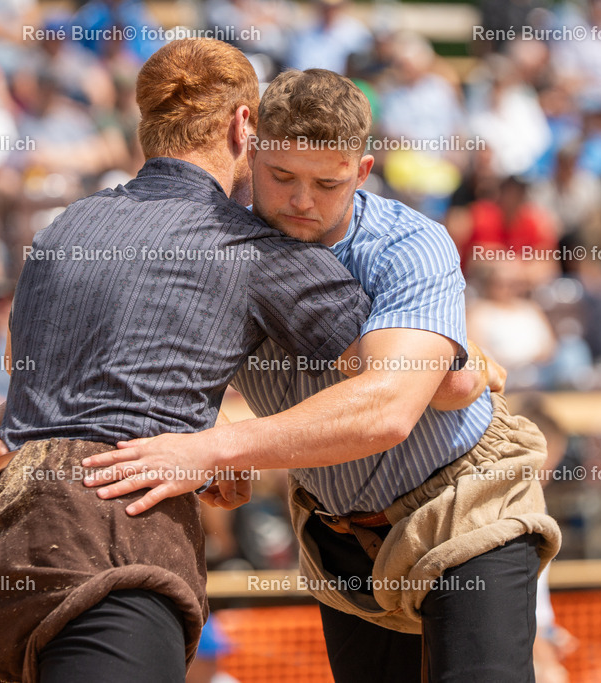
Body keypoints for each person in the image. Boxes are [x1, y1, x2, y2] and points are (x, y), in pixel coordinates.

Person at [0, 41, 499, 683]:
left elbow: (58, 383)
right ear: (243, 128)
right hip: (113, 543)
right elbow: (433, 389)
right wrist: (460, 350)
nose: (296, 197)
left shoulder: (64, 229)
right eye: (281, 174)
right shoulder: (250, 245)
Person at [80, 69, 562, 682]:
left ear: (361, 173)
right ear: (251, 151)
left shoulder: (408, 244)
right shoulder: (215, 240)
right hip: (340, 526)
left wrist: (214, 445)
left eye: (326, 184)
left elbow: (388, 409)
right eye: (281, 177)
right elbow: (117, 350)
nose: (302, 201)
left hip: (464, 500)